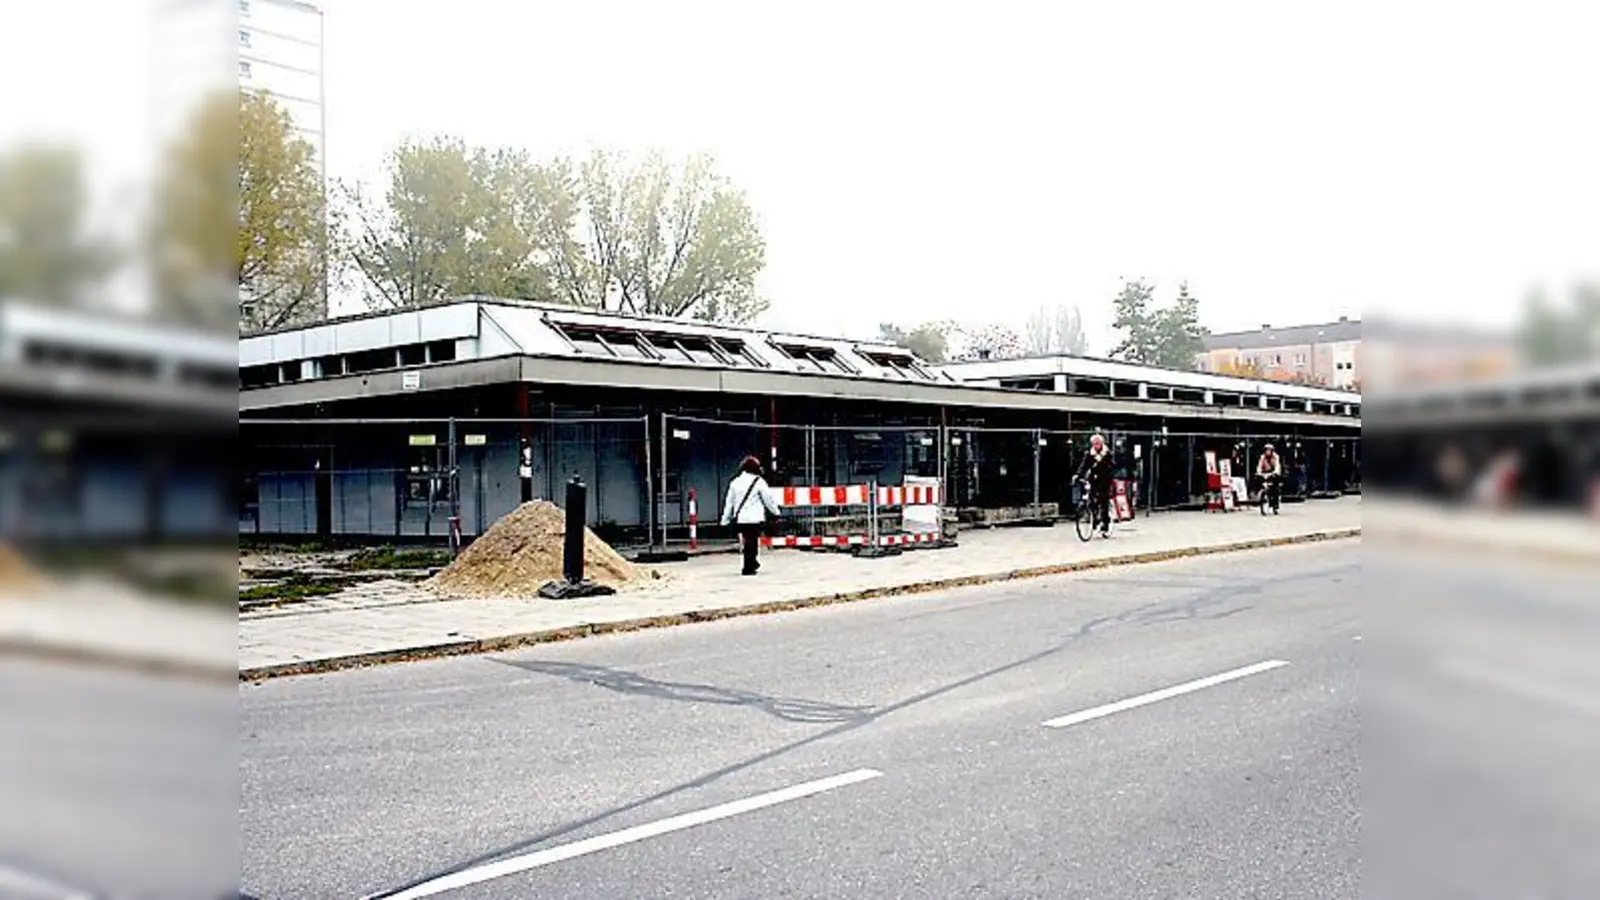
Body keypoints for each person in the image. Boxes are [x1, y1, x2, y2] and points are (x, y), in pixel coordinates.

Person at [721, 455, 781, 575]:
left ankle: (750, 563)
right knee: (752, 541)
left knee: (748, 540)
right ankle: (749, 565)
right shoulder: (759, 482)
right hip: (754, 518)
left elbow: (729, 503)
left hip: (741, 519)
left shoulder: (735, 483)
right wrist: (776, 512)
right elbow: (768, 499)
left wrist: (725, 520)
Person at [1074, 432, 1115, 536]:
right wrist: (1078, 475)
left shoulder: (1108, 454)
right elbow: (1084, 465)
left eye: (1098, 443)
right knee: (1092, 500)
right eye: (1094, 443)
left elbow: (1112, 467)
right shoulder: (1089, 454)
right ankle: (1094, 518)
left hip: (1105, 480)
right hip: (1093, 479)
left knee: (1104, 501)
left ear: (1101, 443)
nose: (1096, 445)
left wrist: (1108, 474)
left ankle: (1105, 524)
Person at [1257, 443, 1284, 513]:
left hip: (1273, 473)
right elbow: (1259, 466)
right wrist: (1259, 473)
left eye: (1269, 450)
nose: (1268, 452)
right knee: (1259, 481)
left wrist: (1275, 472)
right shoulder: (1262, 457)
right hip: (1265, 473)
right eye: (1266, 450)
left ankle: (1275, 505)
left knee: (1275, 488)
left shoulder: (1276, 457)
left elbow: (1277, 466)